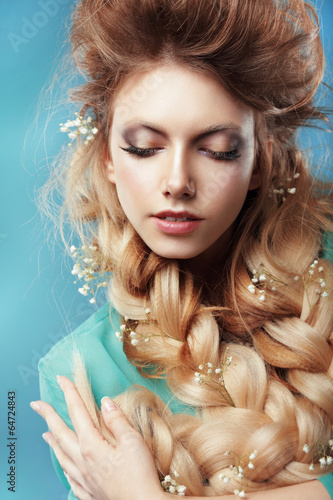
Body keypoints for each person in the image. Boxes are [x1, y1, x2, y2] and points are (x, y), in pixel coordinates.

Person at [30, 0, 333, 498]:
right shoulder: (81, 375)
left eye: (217, 150)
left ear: (260, 160)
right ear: (107, 154)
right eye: (145, 147)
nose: (177, 182)